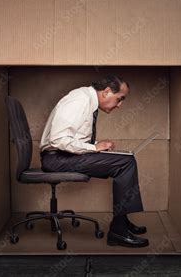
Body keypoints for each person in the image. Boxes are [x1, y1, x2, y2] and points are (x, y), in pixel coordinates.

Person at [39, 74, 148, 248]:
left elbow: (72, 138)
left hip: (64, 155)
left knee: (126, 159)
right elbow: (58, 140)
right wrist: (93, 149)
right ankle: (118, 232)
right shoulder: (79, 100)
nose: (120, 105)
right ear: (106, 92)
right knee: (125, 163)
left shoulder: (87, 100)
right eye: (119, 99)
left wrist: (97, 145)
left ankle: (122, 222)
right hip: (56, 158)